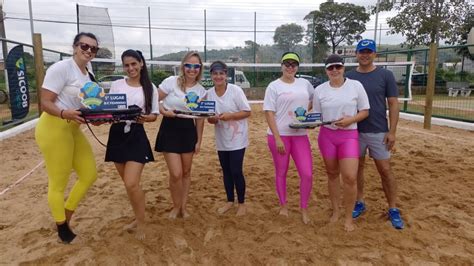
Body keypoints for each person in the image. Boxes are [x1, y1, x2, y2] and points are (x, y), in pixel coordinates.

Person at [35, 32, 100, 243]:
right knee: (58, 182)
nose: (88, 51)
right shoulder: (61, 68)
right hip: (54, 126)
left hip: (73, 127)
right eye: (84, 46)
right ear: (74, 46)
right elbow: (45, 102)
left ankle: (65, 215)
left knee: (89, 174)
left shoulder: (88, 74)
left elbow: (85, 105)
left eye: (93, 48)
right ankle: (62, 228)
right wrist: (64, 113)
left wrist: (97, 117)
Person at [346, 39, 404, 229]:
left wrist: (392, 131)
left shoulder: (385, 75)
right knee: (357, 169)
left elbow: (393, 103)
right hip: (355, 131)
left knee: (385, 170)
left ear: (375, 54)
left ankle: (393, 208)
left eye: (368, 51)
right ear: (356, 54)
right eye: (361, 51)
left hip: (379, 130)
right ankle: (360, 202)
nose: (365, 55)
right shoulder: (349, 77)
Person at [104, 49, 159, 239]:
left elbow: (154, 115)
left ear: (141, 63)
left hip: (136, 134)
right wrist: (107, 116)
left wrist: (145, 118)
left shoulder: (150, 87)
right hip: (117, 134)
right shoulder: (117, 84)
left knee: (131, 183)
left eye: (134, 64)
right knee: (130, 185)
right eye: (127, 65)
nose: (130, 68)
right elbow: (109, 110)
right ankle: (138, 217)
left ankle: (142, 224)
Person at [313, 54, 370, 232]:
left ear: (344, 68)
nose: (335, 70)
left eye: (338, 66)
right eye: (331, 68)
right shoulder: (320, 90)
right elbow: (316, 116)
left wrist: (350, 120)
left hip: (349, 135)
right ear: (326, 70)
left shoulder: (355, 86)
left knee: (350, 177)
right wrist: (304, 123)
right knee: (332, 174)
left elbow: (365, 111)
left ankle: (348, 217)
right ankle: (336, 211)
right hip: (327, 136)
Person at [263, 52, 315, 224]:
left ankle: (304, 208)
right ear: (282, 65)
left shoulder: (305, 84)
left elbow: (313, 100)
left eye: (294, 64)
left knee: (307, 174)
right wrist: (277, 138)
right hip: (280, 136)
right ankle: (283, 206)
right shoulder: (274, 86)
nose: (290, 67)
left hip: (300, 134)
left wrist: (304, 116)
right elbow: (269, 112)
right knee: (282, 172)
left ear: (297, 67)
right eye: (287, 63)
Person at [155, 51, 206, 219]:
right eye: (188, 65)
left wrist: (199, 140)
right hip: (170, 127)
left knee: (186, 172)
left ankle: (183, 207)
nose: (192, 69)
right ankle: (175, 207)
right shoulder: (171, 82)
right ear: (183, 66)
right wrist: (163, 111)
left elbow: (200, 119)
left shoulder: (201, 91)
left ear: (200, 69)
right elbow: (154, 100)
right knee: (175, 173)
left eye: (196, 66)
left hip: (188, 130)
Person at [206, 61, 251, 216]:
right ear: (211, 75)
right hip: (222, 139)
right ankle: (230, 201)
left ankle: (242, 203)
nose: (218, 76)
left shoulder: (235, 91)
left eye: (221, 73)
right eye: (215, 73)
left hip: (238, 138)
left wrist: (230, 116)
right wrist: (212, 119)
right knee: (226, 171)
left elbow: (247, 111)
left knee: (236, 170)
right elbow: (209, 117)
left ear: (226, 75)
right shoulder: (209, 93)